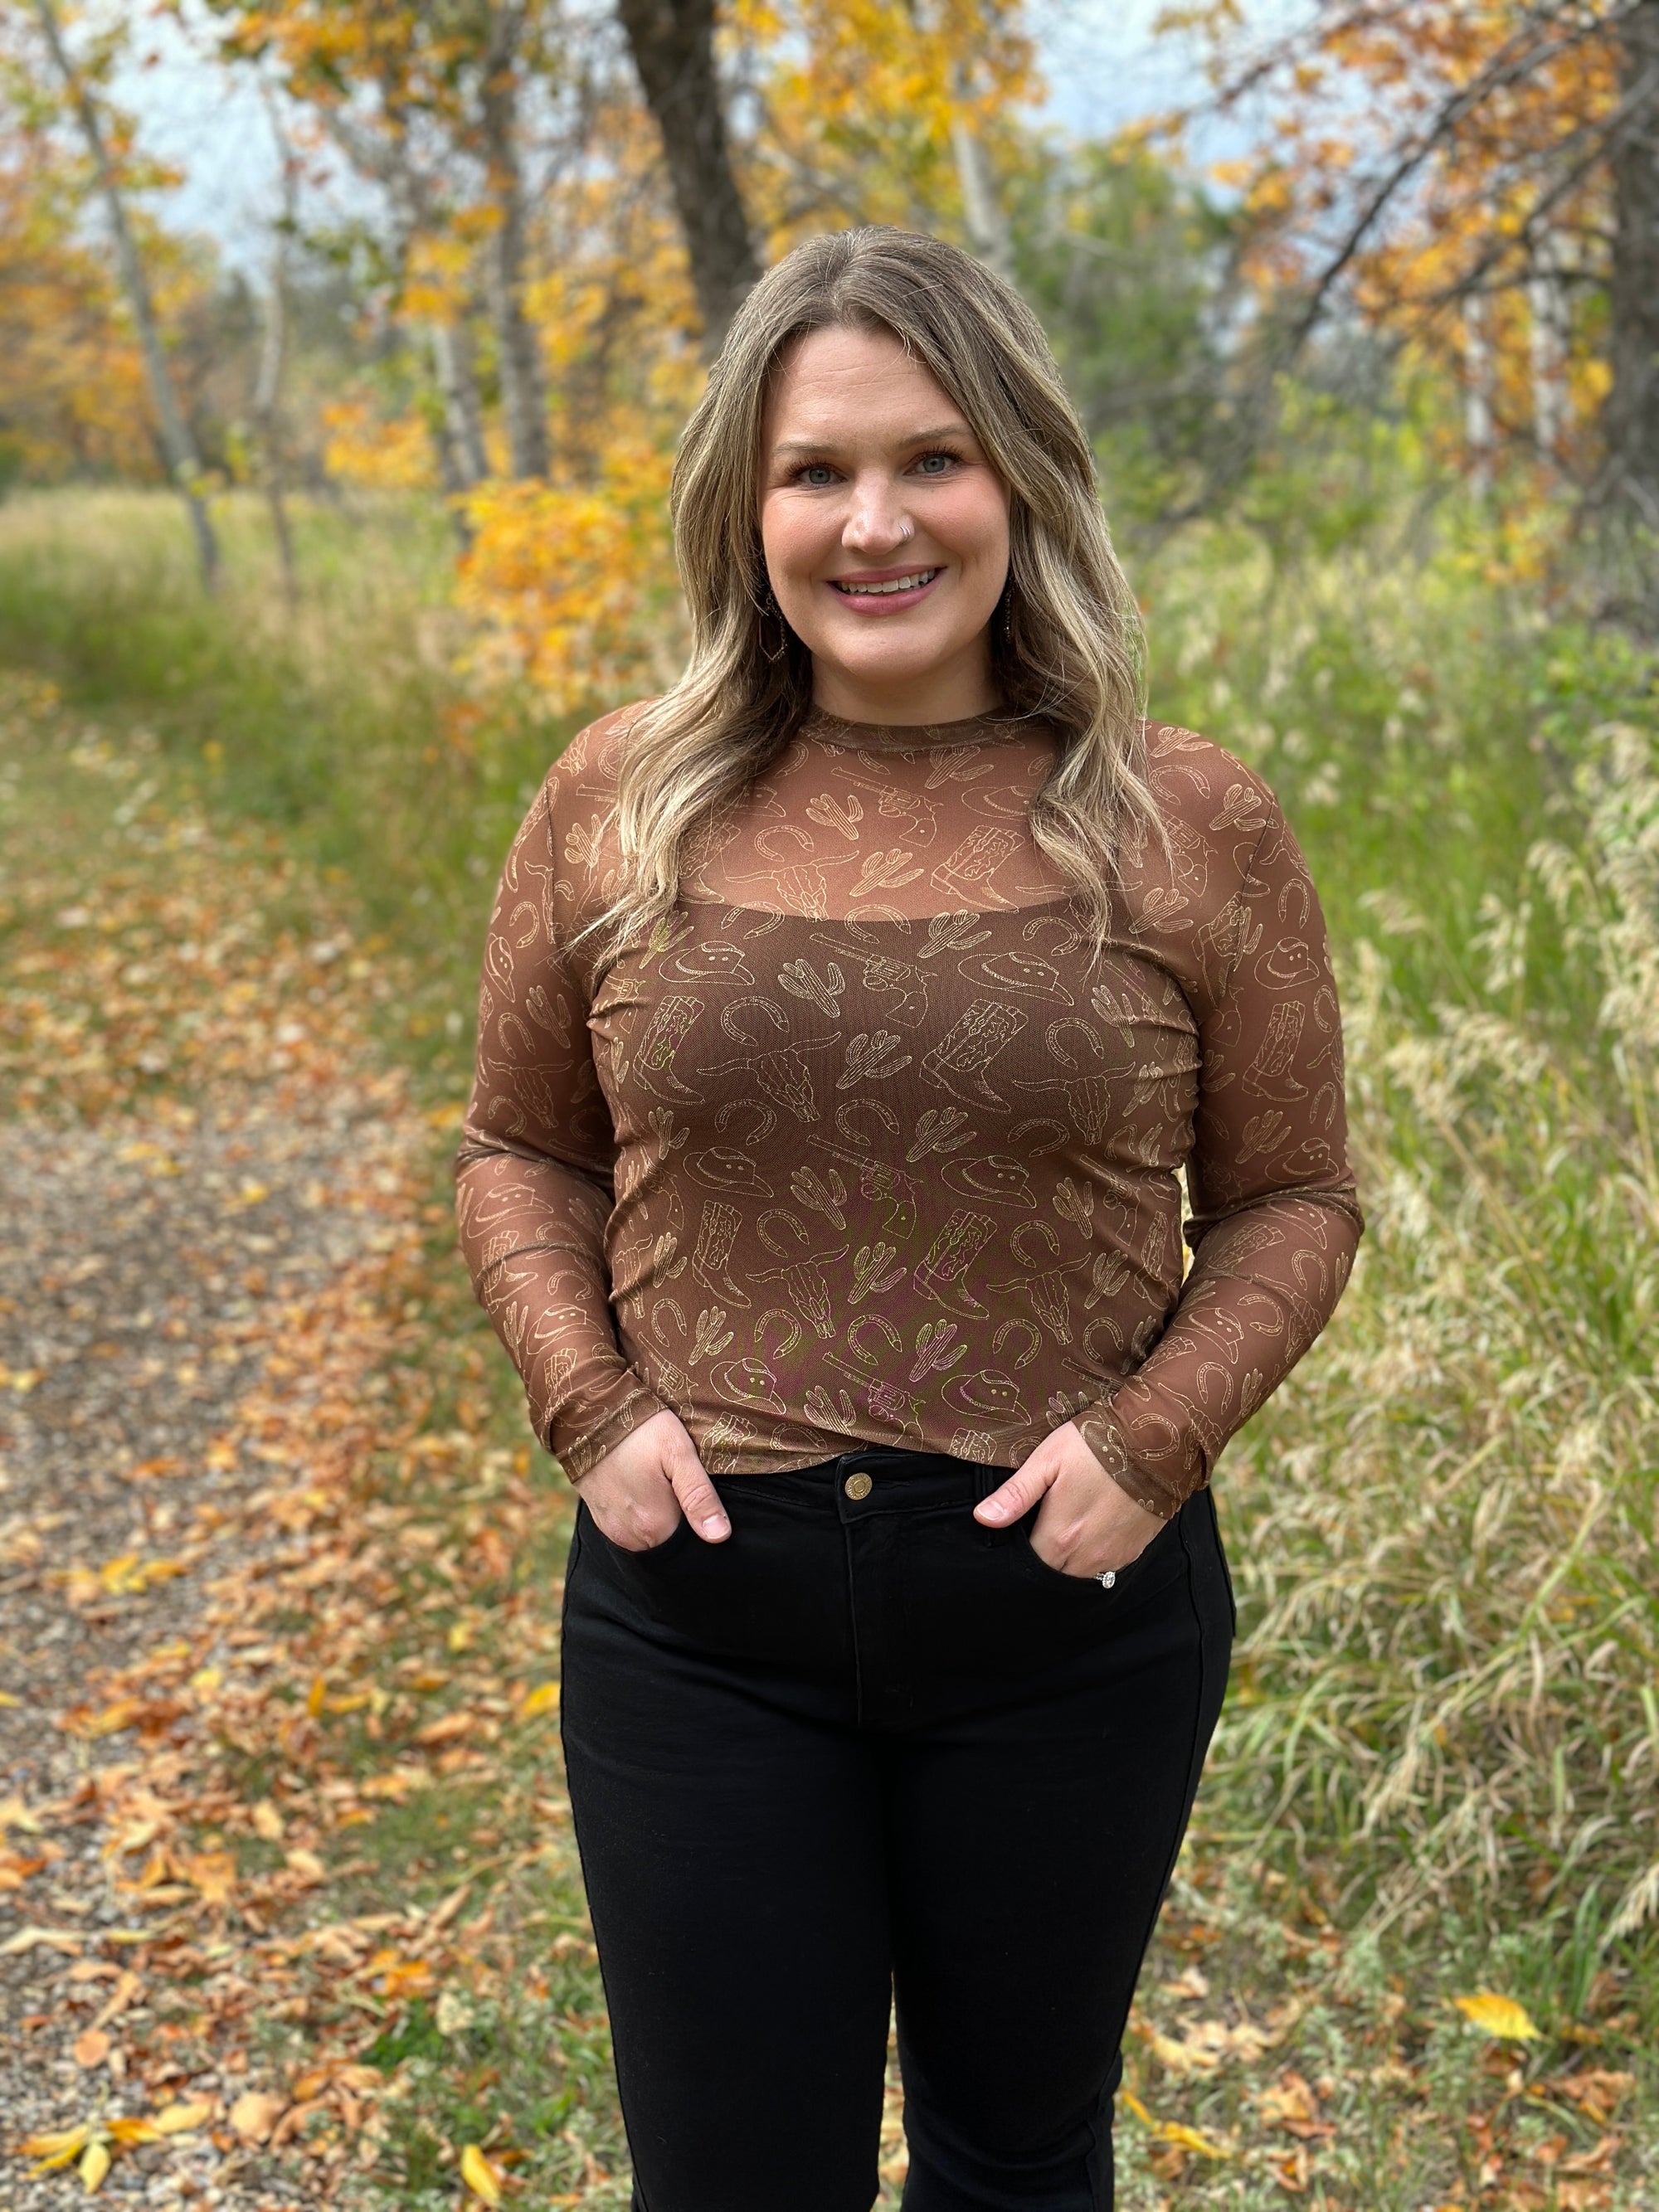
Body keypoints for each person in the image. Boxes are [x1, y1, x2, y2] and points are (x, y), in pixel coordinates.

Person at [454, 225, 1361, 2212]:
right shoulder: (620, 799)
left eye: (932, 458)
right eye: (816, 470)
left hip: (1070, 1608)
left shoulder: (1182, 817)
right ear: (744, 506)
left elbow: (1294, 1194)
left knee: (1016, 2165)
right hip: (704, 1613)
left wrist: (1151, 1444)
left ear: (1020, 479)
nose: (877, 521)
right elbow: (520, 1151)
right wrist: (590, 1410)